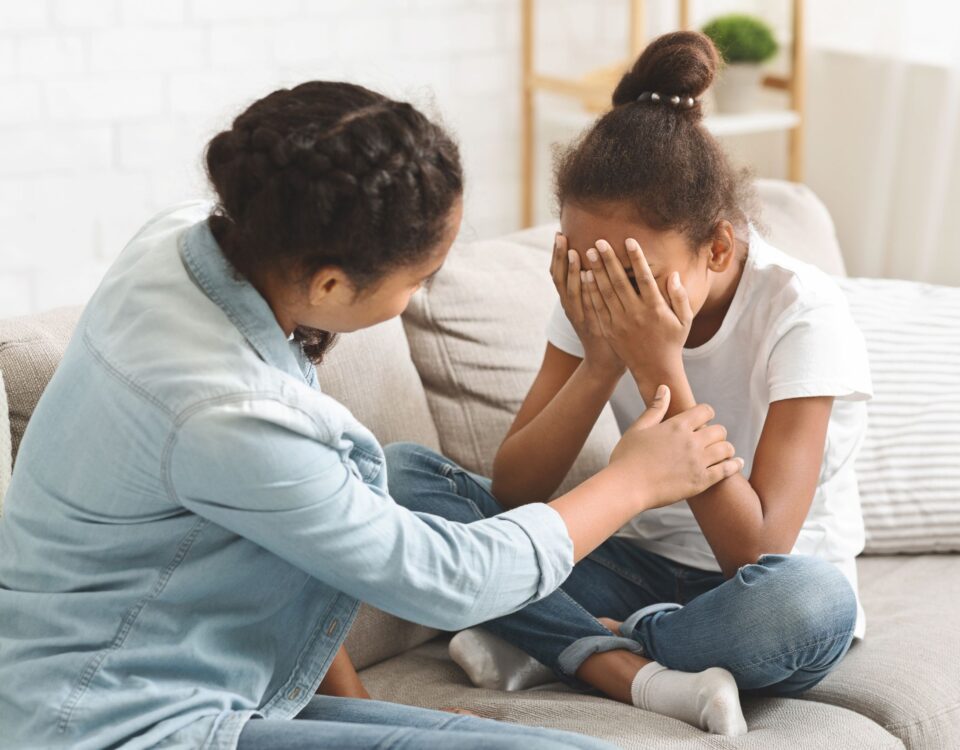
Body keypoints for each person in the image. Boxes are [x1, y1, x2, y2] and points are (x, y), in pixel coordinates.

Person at [0, 82, 742, 750]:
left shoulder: (183, 243)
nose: (423, 294)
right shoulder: (228, 413)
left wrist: (394, 722)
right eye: (421, 278)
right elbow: (451, 577)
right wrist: (634, 481)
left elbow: (285, 546)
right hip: (109, 724)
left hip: (202, 690)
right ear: (327, 282)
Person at [386, 31, 872, 737]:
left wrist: (660, 365)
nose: (611, 289)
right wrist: (603, 358)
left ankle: (565, 642)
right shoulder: (595, 304)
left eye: (634, 272)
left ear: (719, 247)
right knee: (404, 478)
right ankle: (619, 664)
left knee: (809, 604)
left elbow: (758, 552)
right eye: (590, 265)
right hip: (628, 562)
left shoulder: (802, 315)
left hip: (749, 597)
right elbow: (519, 489)